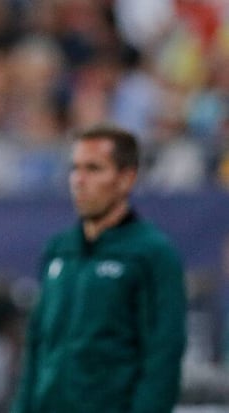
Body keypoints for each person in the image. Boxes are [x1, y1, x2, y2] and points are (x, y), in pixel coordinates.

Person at [10, 124, 187, 413]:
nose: (79, 180)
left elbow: (163, 355)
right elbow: (37, 346)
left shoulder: (153, 254)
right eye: (75, 168)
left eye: (93, 169)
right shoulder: (59, 249)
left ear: (126, 178)